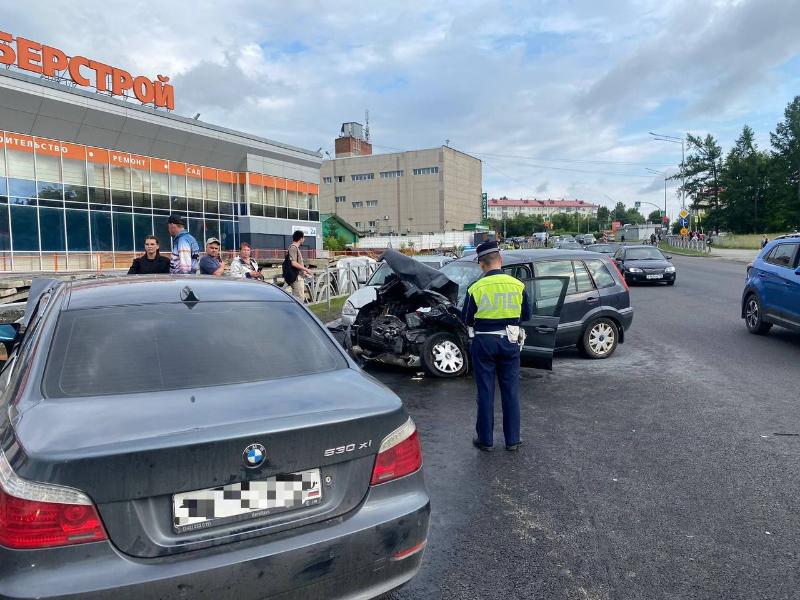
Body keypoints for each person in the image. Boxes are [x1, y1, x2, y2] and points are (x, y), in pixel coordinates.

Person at [461, 240, 531, 452]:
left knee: (485, 392)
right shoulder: (518, 285)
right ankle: (512, 440)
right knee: (510, 392)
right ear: (500, 260)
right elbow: (526, 315)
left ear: (481, 264)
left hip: (484, 343)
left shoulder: (476, 288)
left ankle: (486, 441)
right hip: (510, 341)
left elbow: (467, 318)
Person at [286, 231, 312, 300]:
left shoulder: (295, 248)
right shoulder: (293, 248)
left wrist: (304, 273)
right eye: (303, 237)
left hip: (298, 276)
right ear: (300, 238)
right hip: (296, 278)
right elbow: (293, 263)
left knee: (300, 298)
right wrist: (306, 269)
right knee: (299, 299)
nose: (304, 239)